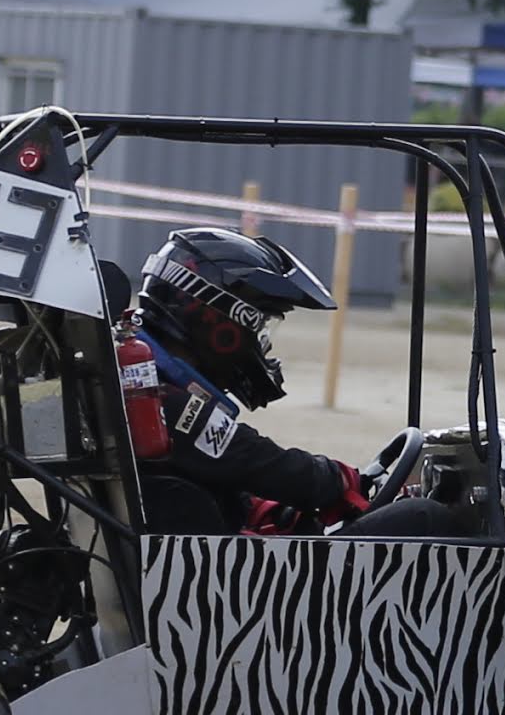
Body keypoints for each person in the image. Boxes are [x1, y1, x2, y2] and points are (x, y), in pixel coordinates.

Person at [121, 228, 370, 532]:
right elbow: (265, 464)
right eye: (262, 328)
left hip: (200, 558)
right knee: (425, 516)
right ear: (220, 320)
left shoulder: (135, 379)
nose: (263, 344)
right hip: (211, 573)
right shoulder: (162, 401)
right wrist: (346, 479)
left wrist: (269, 512)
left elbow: (230, 470)